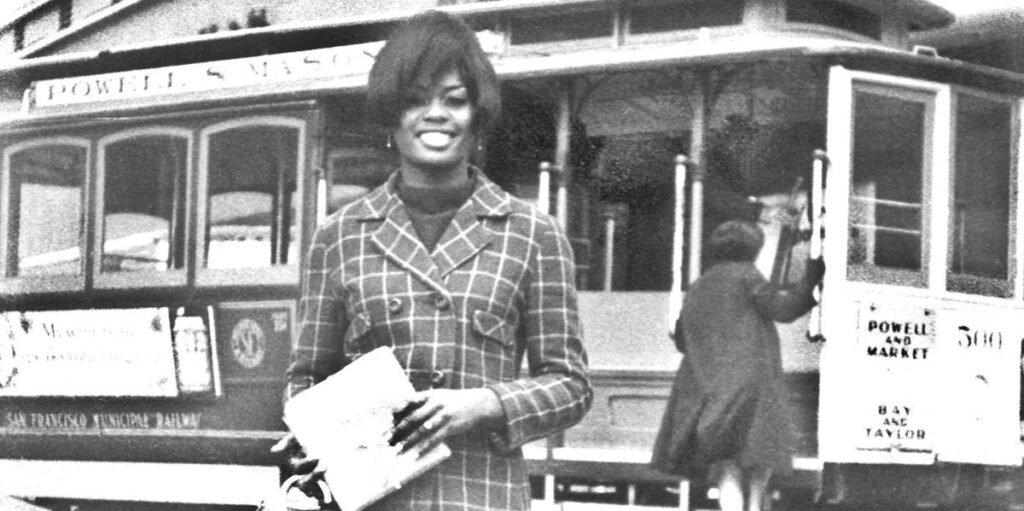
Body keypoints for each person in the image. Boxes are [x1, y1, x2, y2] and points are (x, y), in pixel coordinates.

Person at [272, 10, 592, 511]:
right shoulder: (339, 236)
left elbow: (571, 387)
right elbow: (307, 374)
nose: (436, 114)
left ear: (477, 115)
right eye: (415, 100)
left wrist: (485, 404)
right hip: (376, 499)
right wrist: (309, 430)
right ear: (390, 117)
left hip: (481, 498)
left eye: (455, 100)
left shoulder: (533, 234)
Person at [650, 220, 824, 511]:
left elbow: (682, 339)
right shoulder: (746, 275)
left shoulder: (699, 285)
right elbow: (783, 309)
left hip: (709, 391)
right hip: (750, 389)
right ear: (754, 249)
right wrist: (810, 281)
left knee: (726, 467)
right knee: (758, 464)